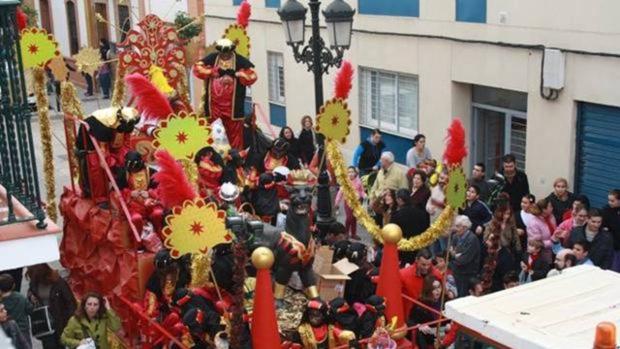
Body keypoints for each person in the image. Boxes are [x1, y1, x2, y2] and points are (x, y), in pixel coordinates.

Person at [26, 264, 77, 349]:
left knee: (61, 344)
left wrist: (71, 322)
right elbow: (30, 292)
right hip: (45, 322)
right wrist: (30, 296)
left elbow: (70, 302)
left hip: (61, 321)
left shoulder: (58, 282)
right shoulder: (34, 282)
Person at [399, 249, 443, 316]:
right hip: (409, 316)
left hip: (431, 315)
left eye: (428, 264)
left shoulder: (437, 274)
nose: (426, 267)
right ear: (416, 260)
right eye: (423, 264)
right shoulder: (403, 274)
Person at [391, 189, 430, 264]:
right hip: (418, 247)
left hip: (403, 249)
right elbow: (426, 228)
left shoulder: (397, 215)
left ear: (399, 200)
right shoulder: (421, 213)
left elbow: (392, 232)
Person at [369, 152, 408, 224]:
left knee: (387, 228)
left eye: (381, 160)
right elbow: (375, 186)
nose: (380, 161)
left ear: (387, 161)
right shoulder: (381, 171)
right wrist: (371, 198)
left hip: (390, 208)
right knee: (377, 226)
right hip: (378, 204)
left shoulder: (400, 173)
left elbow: (404, 192)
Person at [449, 216, 481, 297]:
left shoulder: (472, 239)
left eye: (457, 226)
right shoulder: (455, 236)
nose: (455, 229)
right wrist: (455, 255)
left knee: (462, 298)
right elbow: (449, 253)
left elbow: (463, 260)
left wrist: (454, 255)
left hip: (467, 275)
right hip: (456, 273)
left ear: (465, 227)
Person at [407, 276, 442, 349]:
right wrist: (419, 326)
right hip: (427, 336)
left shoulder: (443, 299)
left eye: (439, 287)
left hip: (441, 332)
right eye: (434, 289)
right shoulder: (420, 305)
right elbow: (409, 321)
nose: (438, 290)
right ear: (428, 290)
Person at [0, 274, 32, 347]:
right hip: (23, 328)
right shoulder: (20, 297)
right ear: (13, 285)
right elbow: (30, 309)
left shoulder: (1, 301)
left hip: (7, 330)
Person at [334, 166, 365, 240]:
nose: (350, 174)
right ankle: (346, 233)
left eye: (352, 172)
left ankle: (353, 234)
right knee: (349, 218)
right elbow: (340, 193)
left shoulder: (358, 181)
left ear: (355, 173)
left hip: (356, 203)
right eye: (349, 172)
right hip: (348, 202)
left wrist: (363, 195)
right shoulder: (345, 182)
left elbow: (361, 191)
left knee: (354, 218)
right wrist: (337, 202)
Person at [525, 198, 556, 263]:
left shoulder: (551, 216)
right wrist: (552, 242)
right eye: (550, 206)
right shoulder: (533, 222)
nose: (552, 208)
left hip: (553, 250)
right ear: (544, 210)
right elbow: (536, 242)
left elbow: (554, 230)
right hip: (541, 256)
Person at [601, 189, 620, 272]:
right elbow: (603, 226)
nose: (609, 202)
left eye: (612, 201)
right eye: (609, 200)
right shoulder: (606, 210)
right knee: (613, 270)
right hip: (613, 246)